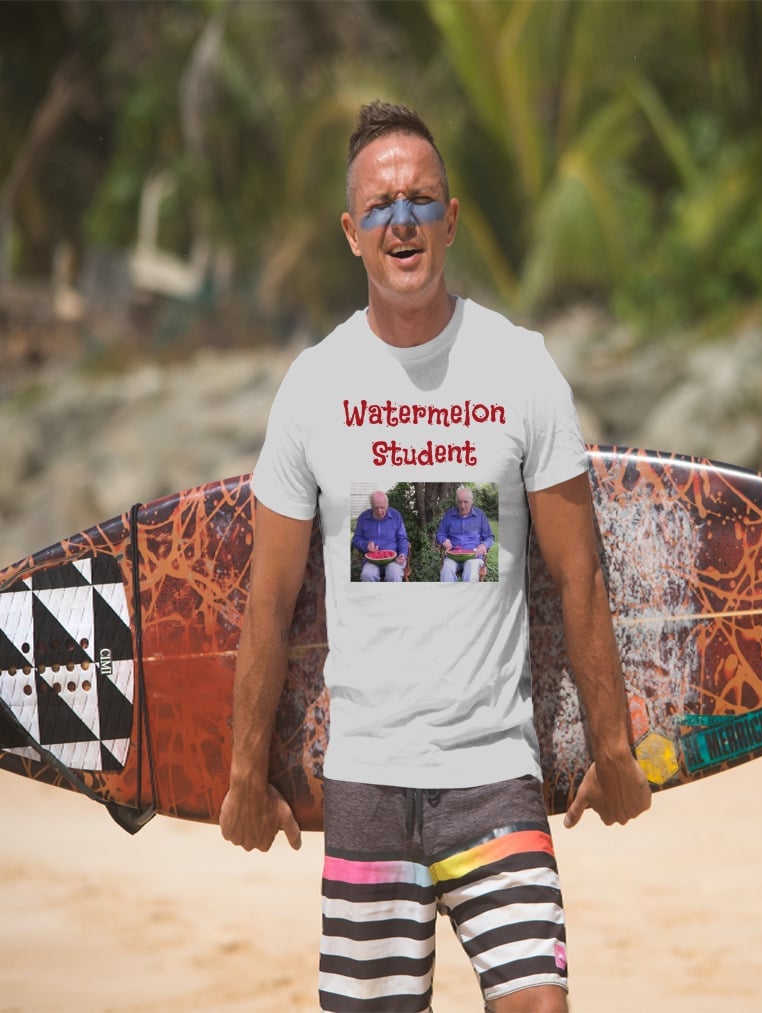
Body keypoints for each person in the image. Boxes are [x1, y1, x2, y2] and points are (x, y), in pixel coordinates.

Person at [220, 100, 651, 1012]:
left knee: (540, 1002)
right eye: (380, 206)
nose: (402, 220)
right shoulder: (314, 387)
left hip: (495, 774)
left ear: (451, 219)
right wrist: (242, 772)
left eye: (421, 200)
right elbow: (269, 601)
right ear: (351, 232)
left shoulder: (521, 368)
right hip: (368, 780)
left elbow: (580, 575)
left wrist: (613, 747)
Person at [437, 485, 493, 581]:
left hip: (473, 557)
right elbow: (440, 534)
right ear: (456, 502)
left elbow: (489, 537)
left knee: (471, 570)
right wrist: (444, 540)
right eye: (460, 502)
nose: (462, 506)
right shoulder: (449, 515)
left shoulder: (480, 516)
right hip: (453, 556)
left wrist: (484, 545)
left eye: (465, 502)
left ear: (472, 502)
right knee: (446, 570)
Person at [352, 490, 409, 581]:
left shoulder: (396, 515)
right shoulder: (363, 517)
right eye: (376, 508)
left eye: (382, 507)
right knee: (367, 575)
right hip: (371, 561)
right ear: (371, 506)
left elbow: (402, 538)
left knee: (394, 574)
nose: (379, 511)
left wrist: (403, 553)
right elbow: (356, 539)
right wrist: (365, 545)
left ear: (387, 505)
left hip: (393, 559)